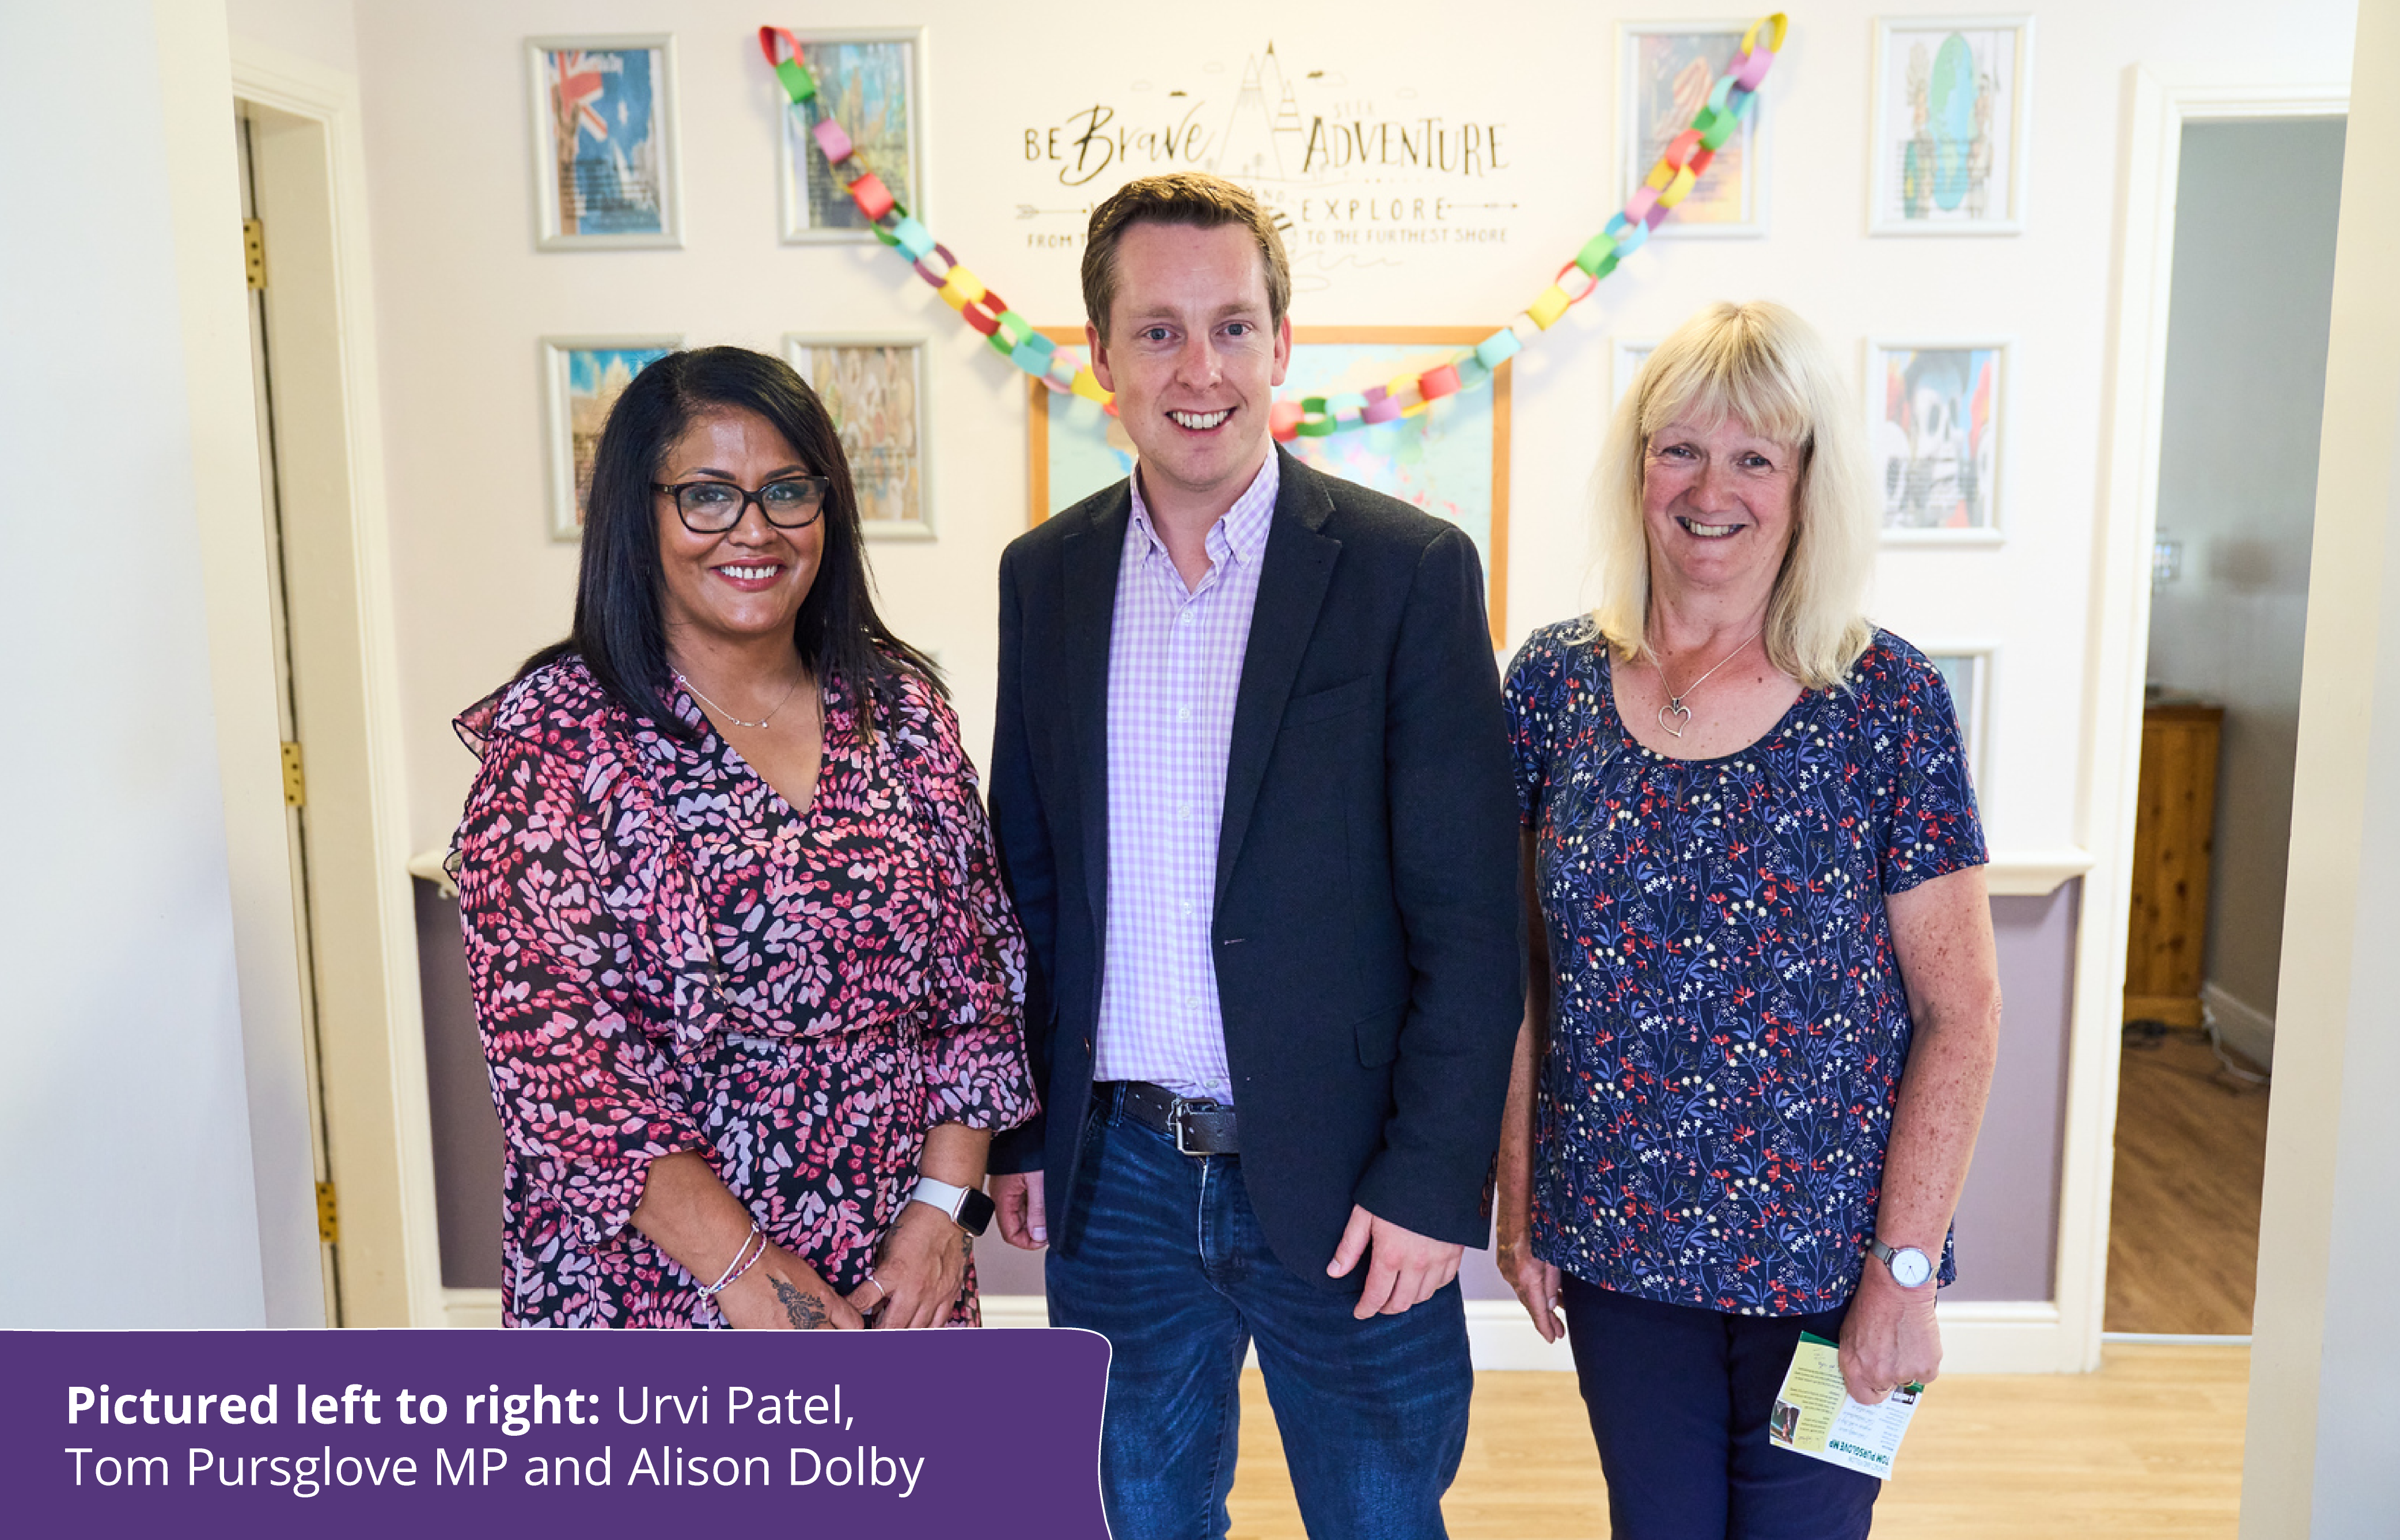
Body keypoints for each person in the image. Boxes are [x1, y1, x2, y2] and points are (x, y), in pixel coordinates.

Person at [983, 172, 1522, 1539]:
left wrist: (1425, 1185)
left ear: (1284, 344)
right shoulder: (1044, 579)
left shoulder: (1408, 573)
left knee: (1379, 1519)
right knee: (1139, 1515)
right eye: (1156, 330)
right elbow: (1031, 881)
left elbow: (1472, 923)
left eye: (1232, 325)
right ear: (1099, 356)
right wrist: (1032, 1128)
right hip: (1120, 1183)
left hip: (1347, 1186)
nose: (1199, 367)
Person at [1496, 300, 2003, 1538]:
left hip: (1836, 1270)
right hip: (1621, 1251)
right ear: (1636, 471)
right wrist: (1519, 1195)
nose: (1709, 487)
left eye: (1753, 457)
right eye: (1678, 448)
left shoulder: (1884, 699)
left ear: (1803, 484)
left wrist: (1906, 1270)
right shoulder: (1551, 685)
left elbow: (1962, 1008)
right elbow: (1514, 970)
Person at [451, 346, 1034, 1329]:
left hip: (900, 1275)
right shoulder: (558, 734)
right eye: (707, 496)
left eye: (786, 491)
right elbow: (563, 1064)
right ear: (639, 517)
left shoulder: (900, 710)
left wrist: (943, 1215)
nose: (753, 530)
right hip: (658, 1279)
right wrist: (755, 1280)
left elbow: (976, 989)